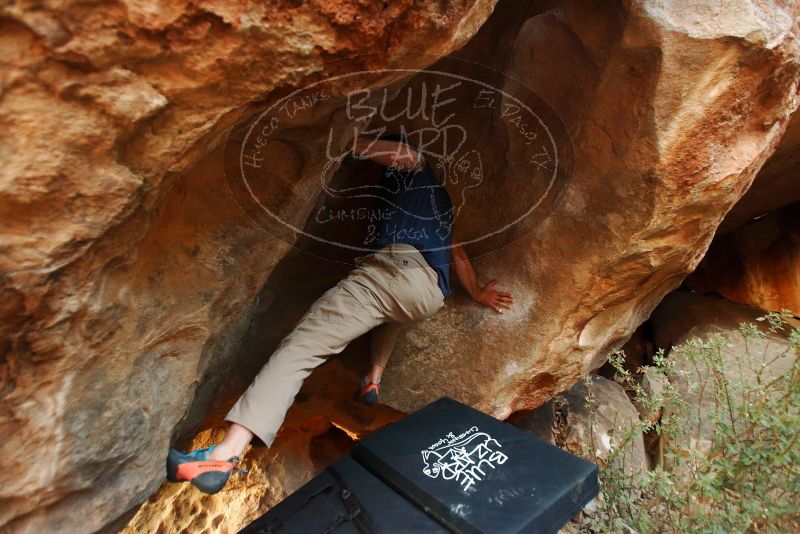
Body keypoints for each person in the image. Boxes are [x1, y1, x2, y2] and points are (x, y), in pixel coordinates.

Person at [166, 134, 514, 494]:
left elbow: (407, 155)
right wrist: (477, 293)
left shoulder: (416, 173)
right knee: (391, 313)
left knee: (300, 350)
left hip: (397, 269)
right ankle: (373, 378)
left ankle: (225, 454)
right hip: (428, 296)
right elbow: (458, 256)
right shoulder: (441, 207)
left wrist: (353, 140)